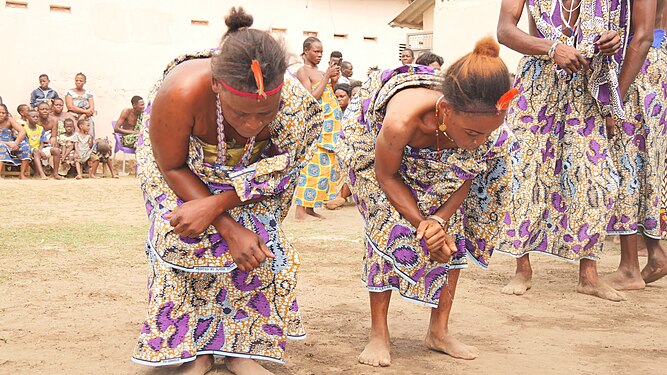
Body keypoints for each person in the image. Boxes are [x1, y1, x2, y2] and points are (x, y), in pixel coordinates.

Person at [131, 7, 322, 375]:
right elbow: (171, 166)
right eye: (240, 114)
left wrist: (223, 209)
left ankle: (240, 349)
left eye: (265, 114)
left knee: (259, 244)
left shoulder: (295, 106)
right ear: (218, 87)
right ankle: (195, 351)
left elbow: (280, 171)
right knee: (183, 236)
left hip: (254, 178)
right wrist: (223, 223)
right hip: (179, 166)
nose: (253, 125)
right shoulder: (182, 91)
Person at [336, 37, 518, 367]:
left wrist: (440, 221)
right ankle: (379, 333)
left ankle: (439, 332)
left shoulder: (483, 129)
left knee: (453, 235)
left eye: (485, 134)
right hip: (372, 151)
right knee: (385, 223)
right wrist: (421, 223)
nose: (478, 141)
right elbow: (387, 177)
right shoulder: (401, 121)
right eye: (472, 133)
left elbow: (466, 170)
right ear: (445, 111)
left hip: (441, 155)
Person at [497, 0, 628, 301]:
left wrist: (612, 40)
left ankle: (589, 275)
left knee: (595, 177)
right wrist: (552, 48)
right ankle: (522, 268)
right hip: (537, 88)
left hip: (586, 90)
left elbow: (621, 34)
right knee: (526, 173)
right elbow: (504, 31)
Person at [606, 0, 667, 288]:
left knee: (625, 163)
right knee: (644, 165)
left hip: (638, 63)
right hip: (652, 58)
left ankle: (629, 267)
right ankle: (655, 253)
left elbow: (641, 34)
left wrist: (614, 98)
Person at [293, 36, 343, 220]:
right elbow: (311, 97)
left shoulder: (321, 72)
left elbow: (328, 94)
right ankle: (300, 209)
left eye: (321, 51)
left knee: (326, 167)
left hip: (331, 126)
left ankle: (311, 207)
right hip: (318, 125)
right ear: (306, 50)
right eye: (316, 51)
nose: (319, 55)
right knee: (312, 165)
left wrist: (333, 80)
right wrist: (327, 77)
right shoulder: (302, 71)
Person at [0, 104, 31, 178]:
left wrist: (15, 143)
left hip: (12, 143)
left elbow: (22, 131)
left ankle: (22, 174)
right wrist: (8, 143)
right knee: (2, 147)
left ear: (7, 113)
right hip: (3, 144)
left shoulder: (9, 120)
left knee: (25, 146)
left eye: (3, 113)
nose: (1, 115)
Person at [36, 102, 62, 179]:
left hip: (47, 142)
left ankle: (56, 174)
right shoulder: (34, 119)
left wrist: (52, 142)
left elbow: (53, 136)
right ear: (38, 111)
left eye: (46, 109)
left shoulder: (54, 120)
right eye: (42, 109)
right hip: (36, 144)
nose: (44, 111)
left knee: (56, 150)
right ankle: (40, 174)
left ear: (50, 110)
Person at [23, 110, 49, 179]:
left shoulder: (40, 128)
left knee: (56, 150)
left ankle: (56, 174)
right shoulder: (24, 129)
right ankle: (42, 174)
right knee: (36, 152)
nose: (36, 118)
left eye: (37, 117)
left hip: (40, 148)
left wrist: (40, 150)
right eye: (33, 117)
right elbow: (26, 143)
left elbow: (42, 142)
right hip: (29, 148)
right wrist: (38, 150)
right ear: (27, 118)